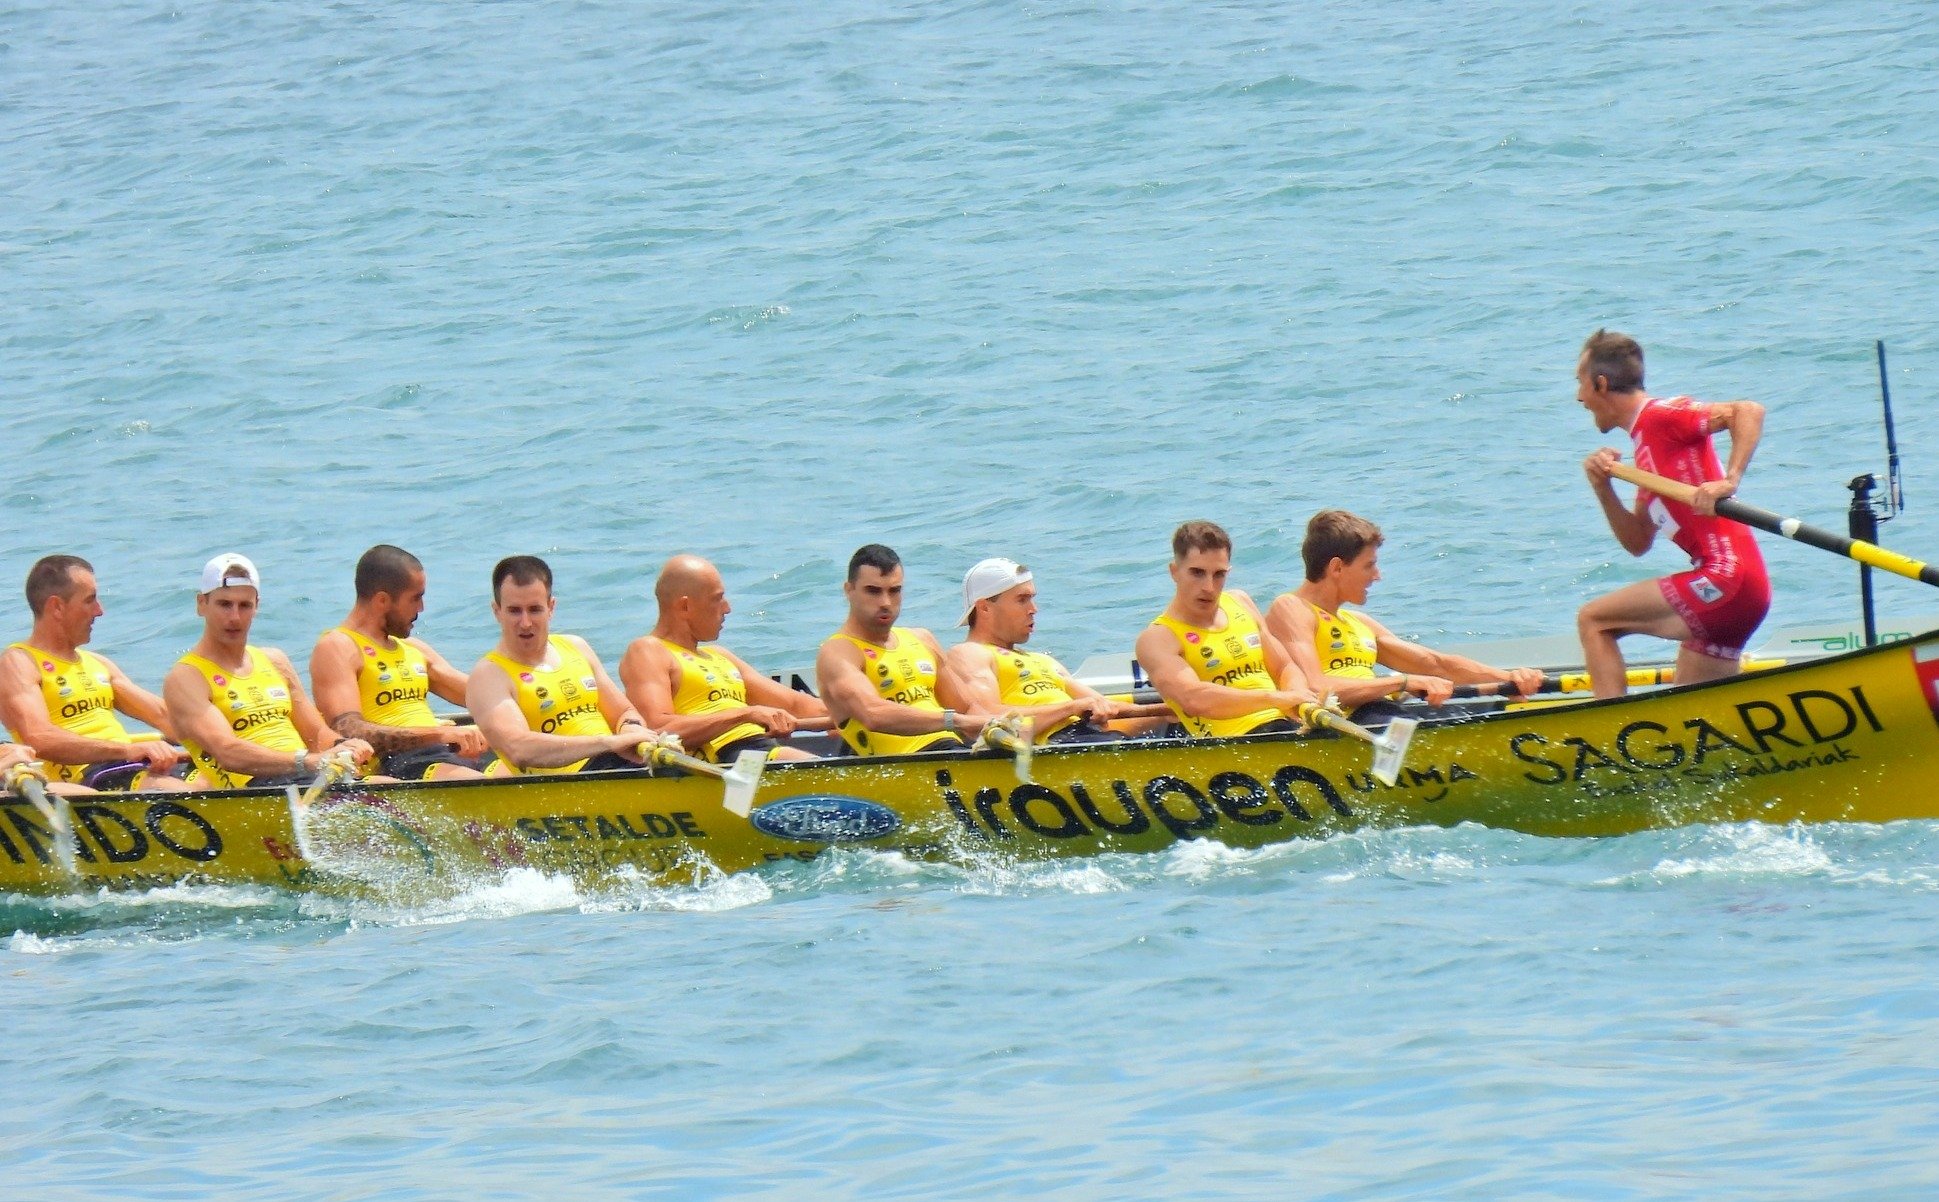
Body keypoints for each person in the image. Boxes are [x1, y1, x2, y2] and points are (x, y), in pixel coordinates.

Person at [1575, 329, 1770, 697]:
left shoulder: (1658, 417)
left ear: (1600, 384)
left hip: (1726, 579)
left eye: (1580, 383)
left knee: (1594, 621)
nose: (1578, 397)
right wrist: (1602, 486)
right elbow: (1637, 542)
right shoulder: (1646, 452)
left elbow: (1747, 411)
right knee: (1698, 727)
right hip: (1738, 592)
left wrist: (1729, 481)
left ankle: (1611, 736)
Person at [1266, 512, 1545, 719]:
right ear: (1337, 568)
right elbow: (1317, 688)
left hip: (1386, 712)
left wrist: (1510, 679)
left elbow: (1436, 664)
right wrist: (1403, 682)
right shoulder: (1291, 608)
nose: (1377, 576)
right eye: (1369, 565)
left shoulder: (1359, 623)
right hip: (1347, 724)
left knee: (1493, 710)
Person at [163, 554, 376, 789]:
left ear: (257, 607)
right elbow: (227, 752)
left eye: (245, 605)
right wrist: (307, 761)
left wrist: (342, 745)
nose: (234, 617)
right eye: (224, 604)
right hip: (256, 787)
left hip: (307, 777)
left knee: (384, 784)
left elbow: (316, 734)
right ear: (201, 604)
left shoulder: (275, 661)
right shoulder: (186, 678)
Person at [0, 555, 188, 790]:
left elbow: (164, 716)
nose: (99, 611)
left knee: (216, 777)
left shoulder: (99, 664)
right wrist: (127, 750)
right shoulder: (19, 662)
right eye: (90, 601)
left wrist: (225, 740)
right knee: (176, 789)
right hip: (93, 774)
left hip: (133, 765)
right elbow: (40, 738)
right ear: (57, 607)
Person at [619, 555, 827, 763]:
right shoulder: (648, 650)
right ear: (685, 607)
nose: (727, 608)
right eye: (717, 599)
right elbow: (658, 729)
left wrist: (853, 709)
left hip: (759, 748)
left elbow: (797, 705)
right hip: (723, 756)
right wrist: (746, 714)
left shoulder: (720, 656)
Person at [311, 545, 490, 781]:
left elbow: (483, 696)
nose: (421, 608)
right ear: (382, 600)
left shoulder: (414, 649)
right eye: (415, 598)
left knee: (524, 757)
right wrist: (437, 734)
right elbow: (348, 731)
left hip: (447, 752)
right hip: (399, 762)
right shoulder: (338, 647)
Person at [465, 555, 655, 774]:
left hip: (615, 763)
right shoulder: (488, 676)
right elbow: (519, 749)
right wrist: (608, 743)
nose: (525, 623)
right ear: (497, 611)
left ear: (551, 607)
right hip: (574, 781)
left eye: (535, 610)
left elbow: (623, 712)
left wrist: (631, 730)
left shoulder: (577, 647)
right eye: (514, 611)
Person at [942, 558, 1166, 744]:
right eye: (1022, 600)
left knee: (1177, 719)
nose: (1033, 609)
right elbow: (985, 717)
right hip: (1051, 743)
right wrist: (1070, 708)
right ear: (984, 608)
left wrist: (1172, 708)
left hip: (1088, 734)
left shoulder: (1043, 661)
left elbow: (1106, 708)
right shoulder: (969, 653)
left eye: (1032, 598)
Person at [1134, 521, 1317, 738]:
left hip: (1284, 725)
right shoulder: (1157, 638)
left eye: (1219, 574)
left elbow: (1284, 667)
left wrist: (1297, 696)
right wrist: (1276, 699)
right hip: (1235, 741)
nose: (1209, 587)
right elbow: (1194, 699)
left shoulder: (1241, 602)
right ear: (1175, 571)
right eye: (1197, 573)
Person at [815, 544, 991, 756]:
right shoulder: (838, 652)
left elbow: (968, 708)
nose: (885, 602)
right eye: (873, 591)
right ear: (849, 590)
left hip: (953, 752)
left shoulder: (922, 638)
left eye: (894, 591)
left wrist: (998, 728)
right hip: (903, 763)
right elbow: (873, 714)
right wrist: (953, 721)